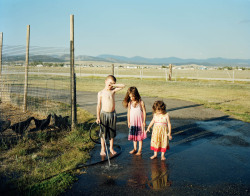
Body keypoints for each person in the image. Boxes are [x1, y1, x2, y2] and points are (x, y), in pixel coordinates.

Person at [96, 75, 125, 156]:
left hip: (112, 114)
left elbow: (123, 86)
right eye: (109, 83)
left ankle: (111, 148)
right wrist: (98, 117)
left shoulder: (113, 91)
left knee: (112, 132)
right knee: (103, 133)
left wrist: (113, 85)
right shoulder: (101, 93)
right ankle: (103, 149)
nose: (111, 85)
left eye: (113, 84)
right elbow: (98, 105)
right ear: (105, 81)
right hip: (103, 114)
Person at [123, 86, 147, 155]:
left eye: (132, 96)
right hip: (133, 122)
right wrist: (128, 121)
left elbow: (144, 112)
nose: (131, 98)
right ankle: (135, 148)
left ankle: (139, 150)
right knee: (134, 136)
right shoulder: (130, 103)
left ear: (136, 95)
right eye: (130, 97)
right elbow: (128, 113)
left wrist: (144, 121)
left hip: (139, 122)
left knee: (139, 136)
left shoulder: (141, 102)